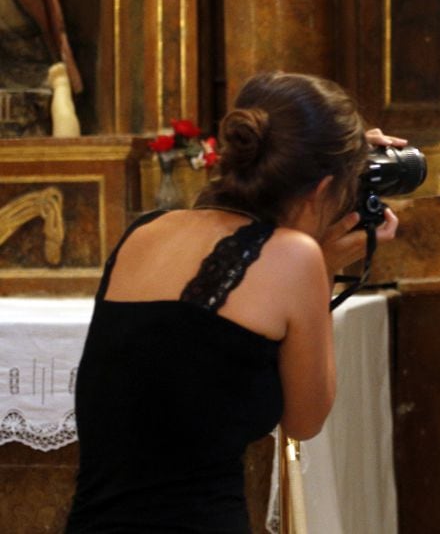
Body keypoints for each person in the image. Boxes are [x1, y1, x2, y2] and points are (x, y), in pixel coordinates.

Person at [66, 72, 405, 531]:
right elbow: (305, 420)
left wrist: (330, 161)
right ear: (326, 187)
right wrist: (323, 265)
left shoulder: (143, 233)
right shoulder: (296, 257)